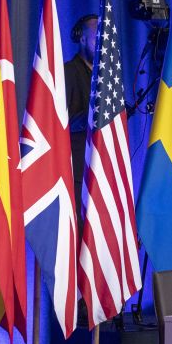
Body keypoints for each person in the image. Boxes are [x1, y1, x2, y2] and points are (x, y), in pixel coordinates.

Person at [65, 14, 98, 221]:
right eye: (97, 37)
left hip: (99, 173)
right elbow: (58, 124)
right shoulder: (68, 72)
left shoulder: (104, 79)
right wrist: (92, 117)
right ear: (82, 39)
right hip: (76, 174)